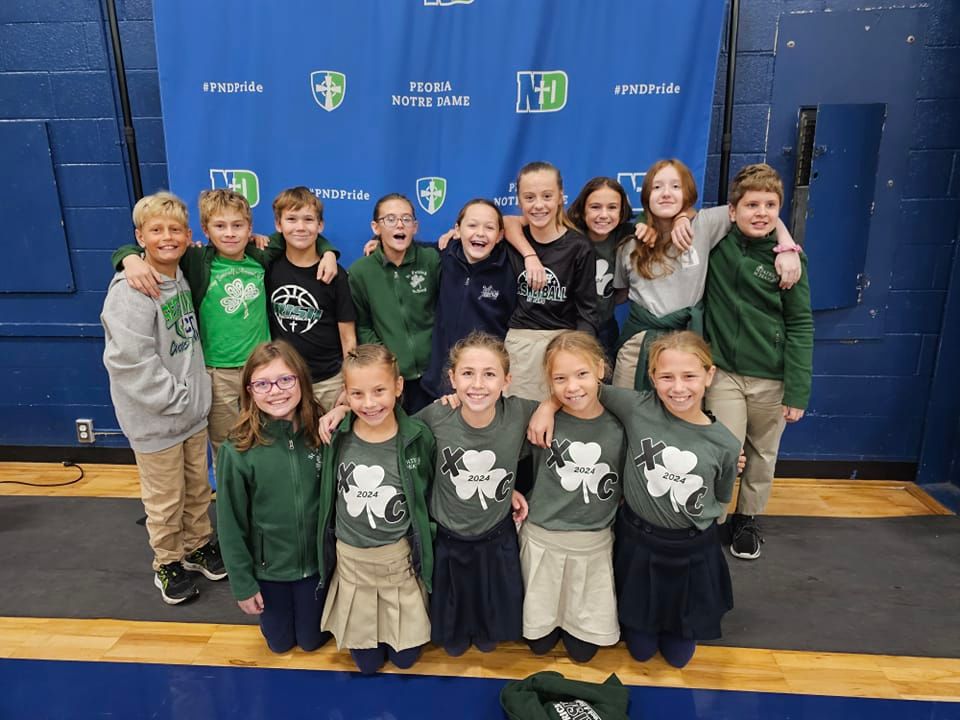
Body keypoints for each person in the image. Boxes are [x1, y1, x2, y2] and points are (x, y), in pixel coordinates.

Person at [528, 331, 740, 668]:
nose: (678, 387)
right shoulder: (637, 407)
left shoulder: (725, 444)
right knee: (640, 650)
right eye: (667, 377)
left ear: (709, 375)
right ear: (652, 377)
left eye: (689, 376)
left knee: (679, 656)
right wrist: (547, 405)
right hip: (640, 541)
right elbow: (580, 386)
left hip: (690, 549)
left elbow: (722, 497)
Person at [111, 189, 339, 464]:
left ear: (249, 228)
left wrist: (328, 252)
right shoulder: (196, 260)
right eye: (220, 226)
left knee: (270, 440)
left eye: (237, 226)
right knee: (228, 446)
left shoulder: (261, 255)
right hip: (218, 375)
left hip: (262, 371)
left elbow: (301, 232)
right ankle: (233, 492)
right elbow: (149, 248)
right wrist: (128, 258)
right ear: (205, 230)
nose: (230, 233)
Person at [101, 191, 224, 604]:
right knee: (165, 498)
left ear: (188, 236)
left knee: (197, 490)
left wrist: (193, 400)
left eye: (175, 230)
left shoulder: (180, 276)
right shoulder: (131, 290)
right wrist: (176, 398)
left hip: (191, 414)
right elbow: (129, 362)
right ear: (140, 237)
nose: (167, 237)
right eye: (156, 230)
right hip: (157, 419)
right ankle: (167, 562)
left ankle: (196, 545)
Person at [703, 163, 814, 561]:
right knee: (724, 449)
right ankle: (713, 517)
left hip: (771, 377)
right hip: (725, 373)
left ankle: (747, 518)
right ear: (733, 211)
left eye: (770, 205)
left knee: (763, 454)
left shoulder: (790, 262)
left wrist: (798, 390)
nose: (761, 213)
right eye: (752, 205)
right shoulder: (717, 246)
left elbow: (800, 324)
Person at [612, 159, 801, 391]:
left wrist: (787, 247)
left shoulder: (705, 224)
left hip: (687, 342)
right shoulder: (630, 244)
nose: (666, 193)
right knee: (627, 406)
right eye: (657, 187)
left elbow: (760, 212)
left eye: (676, 186)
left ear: (688, 193)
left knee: (680, 406)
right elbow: (620, 292)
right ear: (646, 196)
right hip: (638, 344)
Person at [317, 344, 436, 674]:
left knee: (405, 660)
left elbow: (428, 488)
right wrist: (340, 411)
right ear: (345, 393)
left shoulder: (418, 437)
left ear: (398, 386)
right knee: (366, 665)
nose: (369, 403)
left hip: (397, 562)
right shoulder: (336, 435)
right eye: (357, 394)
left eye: (379, 391)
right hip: (352, 562)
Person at [417, 332, 537, 656]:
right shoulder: (436, 416)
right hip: (449, 537)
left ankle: (487, 624)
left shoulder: (519, 413)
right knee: (452, 643)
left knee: (489, 639)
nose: (478, 384)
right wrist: (341, 410)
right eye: (468, 373)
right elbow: (395, 433)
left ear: (507, 380)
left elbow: (567, 405)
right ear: (452, 378)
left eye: (490, 374)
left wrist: (549, 407)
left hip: (494, 536)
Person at [215, 340, 331, 653]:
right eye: (263, 384)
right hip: (270, 572)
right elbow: (229, 524)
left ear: (301, 381)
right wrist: (243, 584)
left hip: (317, 569)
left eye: (285, 380)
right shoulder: (237, 450)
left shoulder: (322, 433)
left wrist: (343, 407)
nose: (276, 391)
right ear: (249, 391)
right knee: (279, 645)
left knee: (311, 642)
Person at [520, 331, 624, 662]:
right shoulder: (539, 420)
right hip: (543, 539)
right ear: (549, 381)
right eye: (560, 379)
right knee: (538, 644)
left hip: (592, 544)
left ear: (600, 369)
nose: (572, 387)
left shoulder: (621, 424)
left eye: (581, 374)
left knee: (583, 652)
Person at [502, 162, 599, 401]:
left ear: (560, 197)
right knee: (521, 414)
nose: (538, 205)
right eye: (529, 197)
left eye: (547, 196)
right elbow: (499, 222)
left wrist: (581, 352)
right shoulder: (513, 239)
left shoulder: (579, 246)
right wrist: (529, 255)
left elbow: (587, 310)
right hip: (522, 341)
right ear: (518, 201)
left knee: (565, 414)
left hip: (563, 340)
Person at [266, 187, 356, 413]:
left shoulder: (335, 274)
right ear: (278, 225)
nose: (300, 227)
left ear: (320, 225)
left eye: (308, 219)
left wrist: (349, 383)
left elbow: (348, 338)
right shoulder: (268, 268)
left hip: (329, 381)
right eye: (291, 219)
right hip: (283, 382)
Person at [348, 194, 440, 413]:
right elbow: (362, 325)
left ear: (415, 227)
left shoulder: (431, 260)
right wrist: (388, 360)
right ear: (376, 227)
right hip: (392, 379)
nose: (400, 224)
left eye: (406, 219)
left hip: (434, 376)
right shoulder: (360, 272)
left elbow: (446, 307)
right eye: (390, 219)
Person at [421, 199, 518, 398]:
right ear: (457, 230)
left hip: (483, 384)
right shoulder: (444, 254)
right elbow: (407, 248)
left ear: (500, 235)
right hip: (438, 379)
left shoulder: (511, 268)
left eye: (489, 227)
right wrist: (379, 241)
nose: (480, 233)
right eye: (472, 225)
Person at [565, 177, 636, 364]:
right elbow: (511, 222)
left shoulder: (627, 235)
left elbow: (658, 223)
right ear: (583, 210)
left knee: (604, 375)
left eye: (612, 207)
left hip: (605, 326)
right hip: (568, 326)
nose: (604, 215)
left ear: (622, 211)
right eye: (595, 207)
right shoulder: (568, 235)